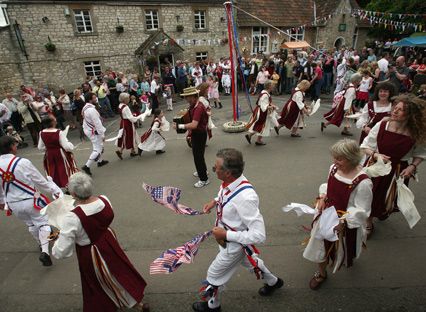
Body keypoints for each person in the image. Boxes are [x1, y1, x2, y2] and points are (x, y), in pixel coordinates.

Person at [192, 148, 283, 312]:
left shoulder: (246, 197)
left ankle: (213, 306)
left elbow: (259, 235)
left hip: (234, 245)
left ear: (228, 172)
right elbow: (225, 193)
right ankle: (274, 282)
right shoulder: (231, 182)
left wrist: (226, 234)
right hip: (232, 241)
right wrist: (214, 202)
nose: (213, 169)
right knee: (251, 263)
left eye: (216, 168)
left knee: (214, 274)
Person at [51, 172, 149, 312]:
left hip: (90, 252)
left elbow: (61, 251)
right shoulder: (104, 200)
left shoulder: (72, 217)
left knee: (98, 282)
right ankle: (135, 301)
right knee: (119, 270)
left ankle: (114, 304)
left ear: (73, 193)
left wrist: (57, 244)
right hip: (108, 240)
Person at [304, 139, 372, 290]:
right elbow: (328, 185)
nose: (335, 161)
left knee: (345, 247)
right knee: (319, 243)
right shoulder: (333, 168)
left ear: (352, 158)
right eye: (334, 157)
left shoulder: (363, 182)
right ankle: (321, 273)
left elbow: (362, 209)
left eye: (339, 158)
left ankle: (347, 256)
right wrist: (323, 196)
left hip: (344, 221)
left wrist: (344, 222)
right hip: (326, 215)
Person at [360, 95, 426, 236]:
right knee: (371, 195)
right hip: (376, 167)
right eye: (395, 108)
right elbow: (365, 146)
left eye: (400, 110)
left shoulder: (416, 133)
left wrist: (412, 167)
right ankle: (368, 222)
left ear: (410, 115)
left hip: (397, 171)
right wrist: (376, 155)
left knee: (387, 198)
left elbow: (420, 153)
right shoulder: (382, 125)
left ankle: (381, 210)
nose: (394, 111)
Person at [0, 136, 63, 266]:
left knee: (31, 224)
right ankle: (45, 251)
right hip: (30, 200)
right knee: (43, 223)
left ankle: (42, 243)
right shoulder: (23, 162)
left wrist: (2, 201)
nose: (16, 146)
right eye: (15, 144)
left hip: (13, 203)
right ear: (11, 146)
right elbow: (39, 181)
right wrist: (54, 190)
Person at [175, 87, 209, 188]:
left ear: (193, 97)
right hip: (199, 133)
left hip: (199, 134)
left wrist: (179, 126)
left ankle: (204, 179)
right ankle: (203, 171)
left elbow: (194, 125)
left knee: (198, 157)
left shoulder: (198, 108)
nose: (186, 99)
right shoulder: (195, 105)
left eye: (187, 97)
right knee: (199, 156)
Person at [38, 116, 78, 188]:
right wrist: (70, 145)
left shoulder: (41, 132)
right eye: (54, 119)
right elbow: (66, 147)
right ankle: (68, 186)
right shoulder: (58, 132)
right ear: (52, 122)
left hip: (49, 154)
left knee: (53, 170)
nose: (56, 120)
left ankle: (56, 187)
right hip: (60, 153)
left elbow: (40, 147)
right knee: (64, 169)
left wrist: (49, 148)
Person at [81, 92, 109, 176]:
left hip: (89, 129)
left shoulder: (85, 107)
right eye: (94, 97)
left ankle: (100, 161)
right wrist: (102, 134)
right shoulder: (91, 109)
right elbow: (97, 123)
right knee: (97, 149)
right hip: (93, 131)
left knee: (99, 146)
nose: (96, 98)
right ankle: (87, 166)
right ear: (90, 99)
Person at [245, 80, 278, 146]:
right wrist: (271, 107)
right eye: (273, 85)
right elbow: (263, 105)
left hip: (262, 111)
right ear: (269, 86)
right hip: (262, 112)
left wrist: (271, 105)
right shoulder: (265, 95)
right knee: (263, 125)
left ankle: (252, 137)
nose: (274, 86)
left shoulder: (265, 93)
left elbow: (265, 103)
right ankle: (257, 140)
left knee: (261, 125)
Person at [115, 92, 142, 160]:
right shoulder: (126, 107)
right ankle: (129, 151)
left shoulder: (120, 105)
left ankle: (128, 151)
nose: (129, 99)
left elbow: (126, 115)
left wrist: (133, 115)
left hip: (123, 122)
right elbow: (130, 118)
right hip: (128, 123)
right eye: (127, 98)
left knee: (125, 136)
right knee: (131, 136)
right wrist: (138, 117)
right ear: (124, 99)